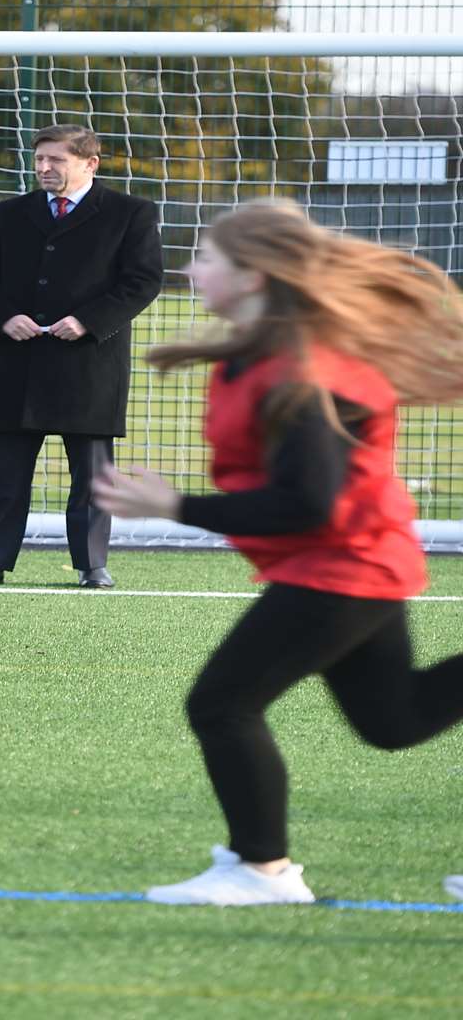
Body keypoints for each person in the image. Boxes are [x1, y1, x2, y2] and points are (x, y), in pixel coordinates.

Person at [93, 200, 463, 906]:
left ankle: (263, 869)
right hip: (352, 563)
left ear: (255, 275)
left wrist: (175, 507)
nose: (191, 268)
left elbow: (308, 503)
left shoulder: (302, 370)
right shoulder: (269, 351)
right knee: (396, 722)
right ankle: (261, 868)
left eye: (207, 257)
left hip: (345, 567)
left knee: (222, 705)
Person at [0, 124, 163, 589]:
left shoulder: (130, 213)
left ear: (90, 163)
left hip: (89, 364)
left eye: (56, 160)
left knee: (91, 477)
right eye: (40, 159)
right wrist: (5, 318)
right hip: (16, 362)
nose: (44, 168)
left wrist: (87, 320)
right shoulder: (9, 213)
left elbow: (142, 281)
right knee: (5, 474)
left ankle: (92, 566)